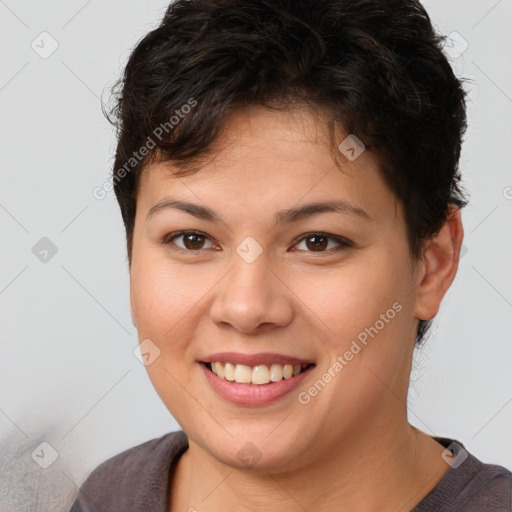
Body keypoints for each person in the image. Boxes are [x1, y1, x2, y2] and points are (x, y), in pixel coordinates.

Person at [70, 0, 512, 510]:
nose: (246, 307)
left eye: (317, 241)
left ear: (432, 265)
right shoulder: (102, 498)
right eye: (192, 239)